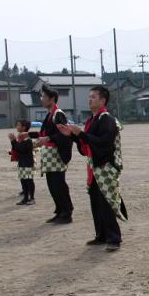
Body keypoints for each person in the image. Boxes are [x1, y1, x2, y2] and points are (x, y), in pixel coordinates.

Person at [59, 86, 127, 252]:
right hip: (95, 167)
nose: (90, 100)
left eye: (94, 97)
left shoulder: (107, 119)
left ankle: (114, 238)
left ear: (103, 100)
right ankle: (102, 235)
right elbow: (87, 146)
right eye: (89, 97)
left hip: (106, 167)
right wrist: (74, 136)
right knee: (96, 202)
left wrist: (80, 134)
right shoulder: (93, 119)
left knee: (106, 202)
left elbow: (104, 144)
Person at [20, 84, 74, 224]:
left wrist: (48, 139)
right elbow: (45, 134)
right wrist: (28, 134)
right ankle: (60, 211)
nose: (41, 99)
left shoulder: (58, 114)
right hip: (49, 155)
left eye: (44, 96)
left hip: (56, 155)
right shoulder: (51, 114)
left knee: (58, 184)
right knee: (52, 184)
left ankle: (67, 212)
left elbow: (63, 135)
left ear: (52, 99)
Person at [9, 119, 36, 205]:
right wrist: (14, 142)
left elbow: (21, 149)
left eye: (18, 125)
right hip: (22, 162)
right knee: (23, 180)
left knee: (29, 180)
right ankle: (25, 198)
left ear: (24, 127)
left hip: (28, 162)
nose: (17, 127)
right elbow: (17, 149)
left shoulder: (27, 139)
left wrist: (13, 141)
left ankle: (31, 198)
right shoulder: (20, 137)